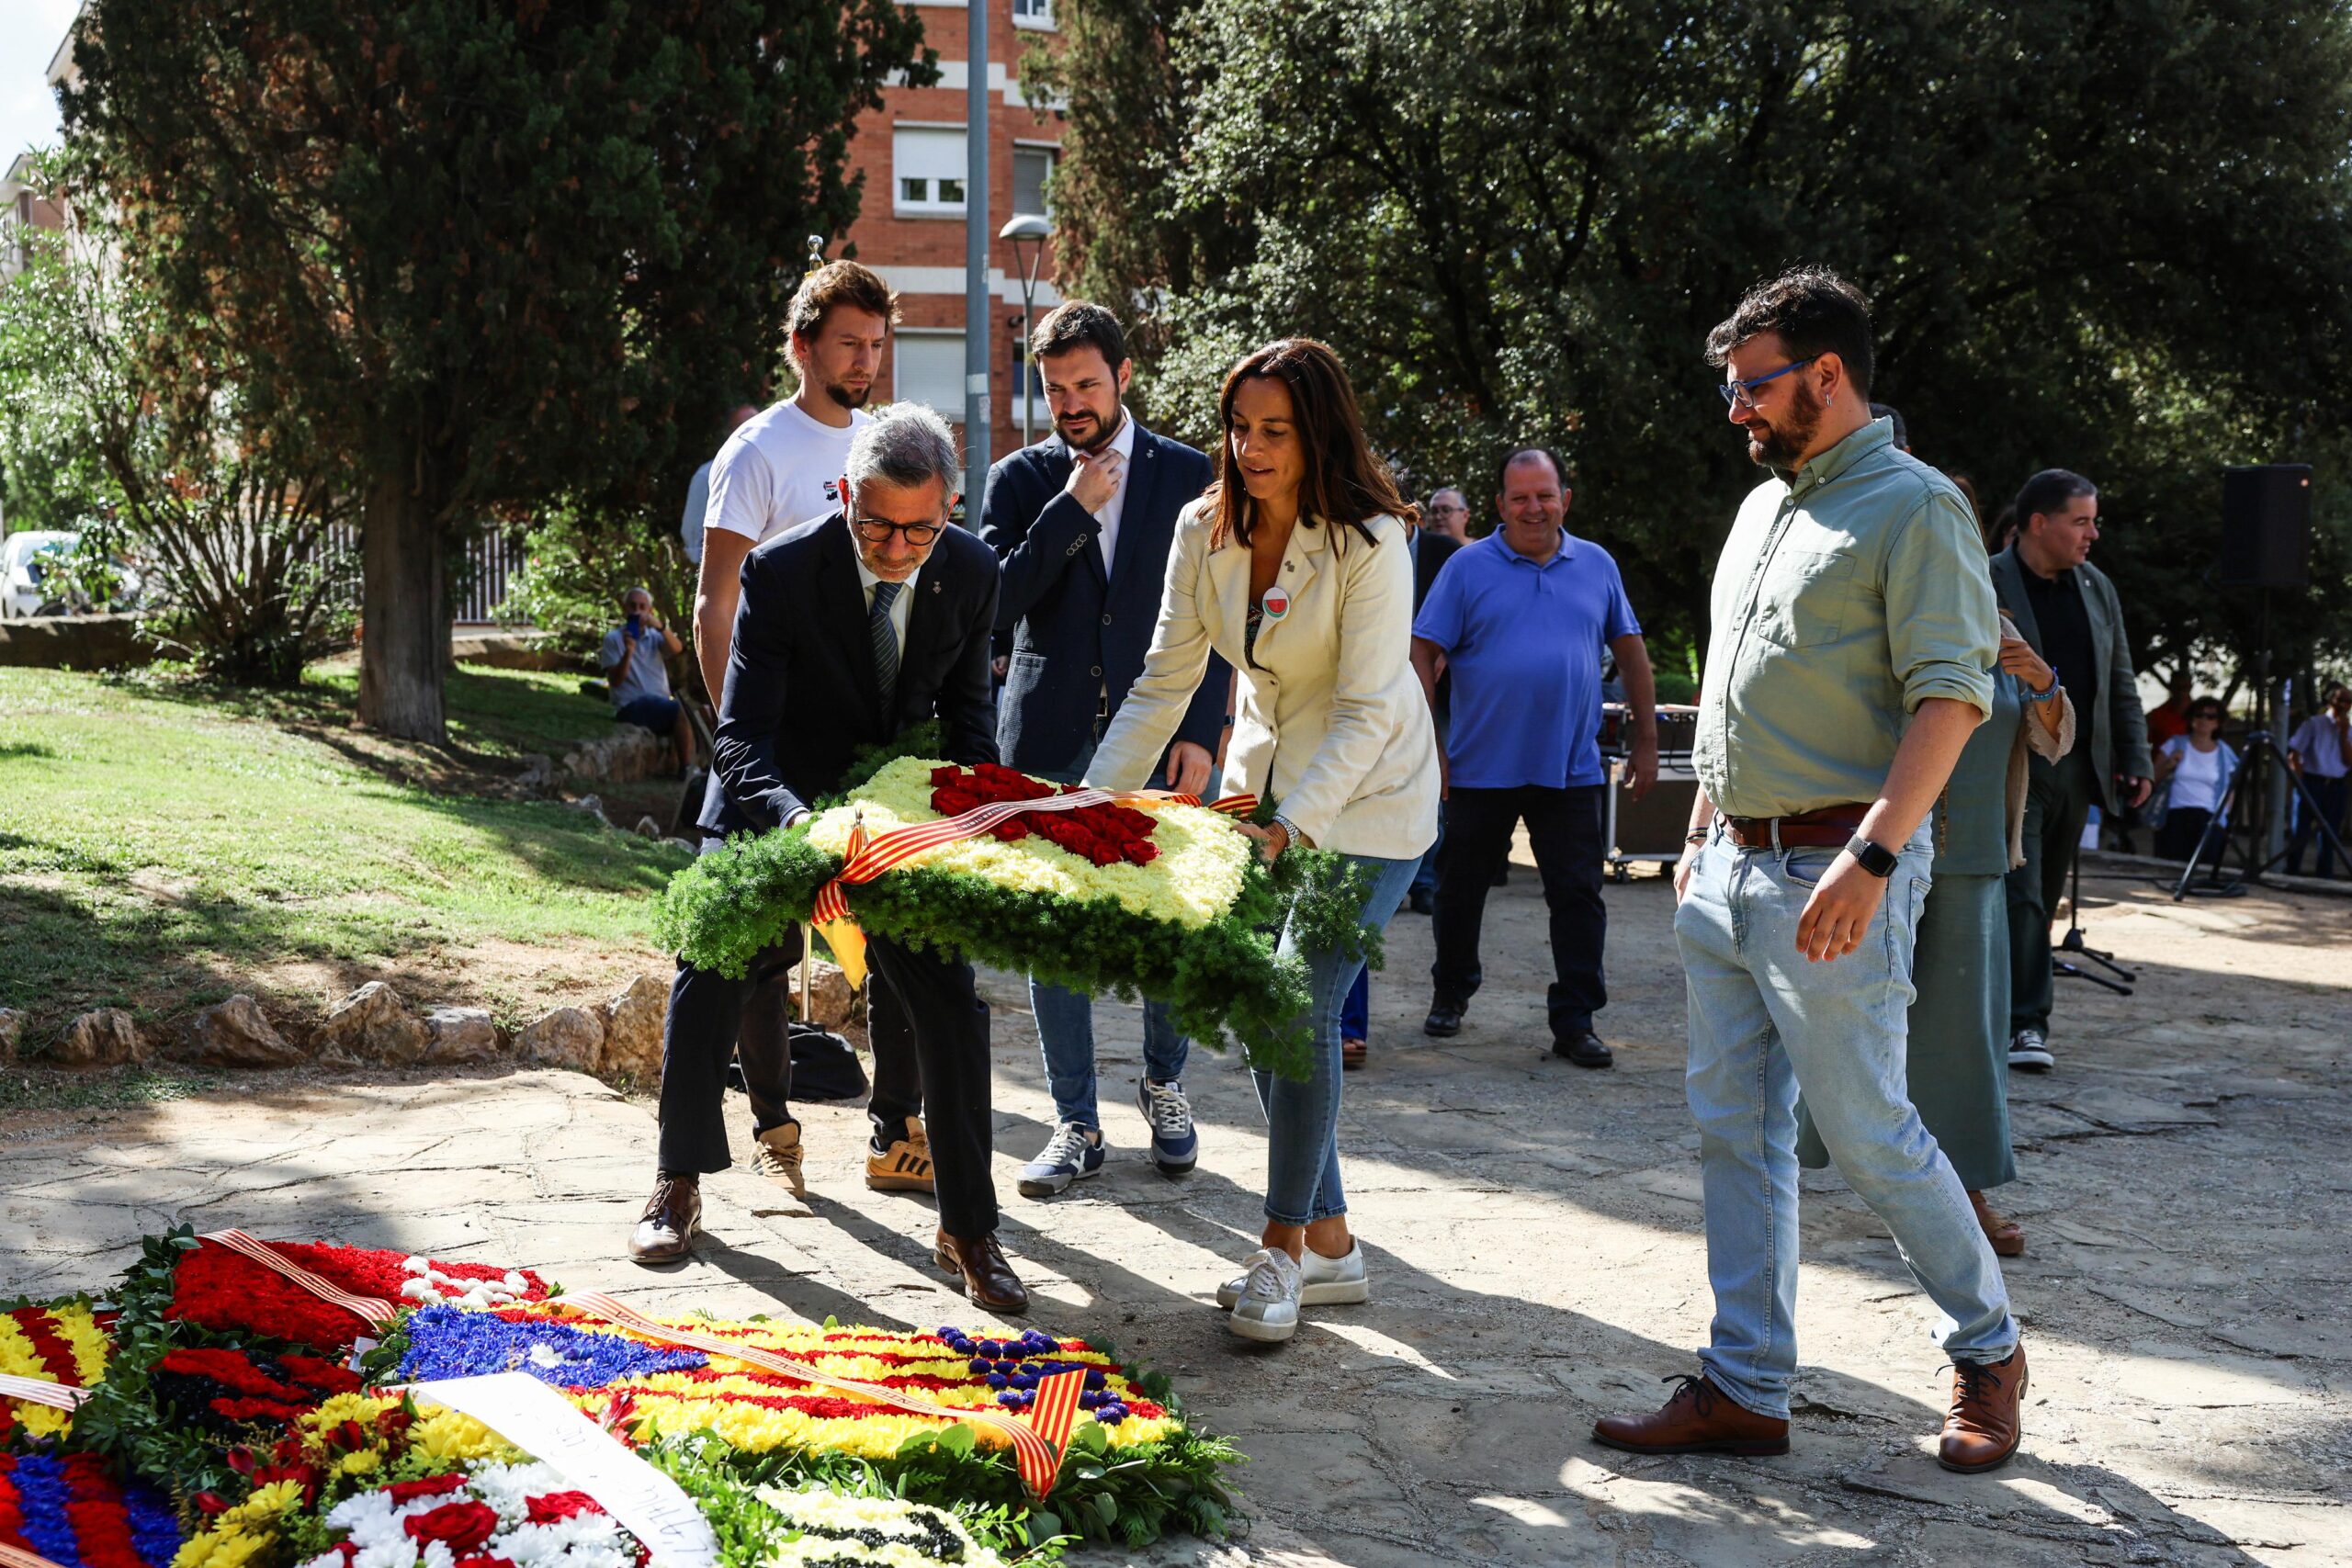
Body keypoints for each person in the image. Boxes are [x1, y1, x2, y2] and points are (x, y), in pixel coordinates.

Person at [1596, 267, 2025, 1474]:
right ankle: (1744, 1384)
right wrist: (1697, 843)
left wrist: (1874, 856)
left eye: (1755, 386)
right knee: (1735, 1128)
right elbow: (1740, 693)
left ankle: (1989, 1349)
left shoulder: (1916, 506)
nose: (1738, 408)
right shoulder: (1762, 510)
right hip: (1729, 871)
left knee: (1871, 1127)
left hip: (1836, 870)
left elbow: (1954, 695)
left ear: (1827, 376)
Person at [634, 405, 1030, 1314]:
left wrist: (959, 822)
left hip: (894, 811)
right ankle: (676, 1182)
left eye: (921, 528)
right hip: (777, 799)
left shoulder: (971, 570)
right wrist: (805, 828)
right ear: (844, 495)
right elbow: (740, 740)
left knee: (951, 1001)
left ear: (952, 510)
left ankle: (971, 1229)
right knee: (709, 962)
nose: (897, 547)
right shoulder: (779, 570)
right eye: (877, 524)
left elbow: (970, 727)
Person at [1082, 337, 1438, 1345]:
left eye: (1274, 431)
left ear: (1317, 431)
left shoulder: (1372, 538)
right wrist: (1087, 807)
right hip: (1263, 790)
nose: (1250, 449)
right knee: (1256, 1006)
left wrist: (1291, 827)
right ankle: (1329, 1243)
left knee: (1293, 1002)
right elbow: (1163, 681)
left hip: (1368, 801)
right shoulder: (1203, 526)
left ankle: (1279, 1253)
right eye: (1239, 428)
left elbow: (1369, 711)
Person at [682, 261, 933, 1196]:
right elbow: (717, 603)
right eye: (847, 345)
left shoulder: (890, 444)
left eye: (876, 345)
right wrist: (739, 738)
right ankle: (772, 1124)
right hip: (773, 749)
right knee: (759, 953)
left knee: (902, 945)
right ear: (801, 346)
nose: (865, 362)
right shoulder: (757, 452)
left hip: (869, 754)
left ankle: (895, 1131)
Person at [974, 300, 1226, 1195]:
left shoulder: (1191, 475)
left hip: (1161, 739)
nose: (1071, 402)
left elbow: (1220, 611)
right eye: (1054, 388)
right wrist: (1071, 509)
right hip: (1046, 742)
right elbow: (994, 604)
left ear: (1123, 377)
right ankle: (1074, 1122)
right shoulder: (1018, 479)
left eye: (1086, 383)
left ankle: (1164, 1084)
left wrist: (1202, 730)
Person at [1798, 609, 2077, 1257]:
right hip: (1871, 856)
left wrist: (2042, 679)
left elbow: (2054, 740)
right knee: (1837, 1015)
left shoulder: (1998, 623)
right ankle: (1778, 1171)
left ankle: (1963, 1192)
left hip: (1974, 855)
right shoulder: (1878, 604)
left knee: (1962, 1042)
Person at [1409, 446, 1657, 1069]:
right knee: (1460, 891)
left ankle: (1575, 1019)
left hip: (1569, 766)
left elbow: (1631, 653)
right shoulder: (1467, 567)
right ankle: (1451, 990)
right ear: (1499, 505)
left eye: (1544, 495)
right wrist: (1427, 746)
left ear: (1564, 499)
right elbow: (1421, 653)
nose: (1533, 507)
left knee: (1578, 895)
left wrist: (1647, 743)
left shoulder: (1595, 564)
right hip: (1476, 767)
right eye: (1519, 497)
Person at [1988, 470, 2151, 1075]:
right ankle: (2025, 1022)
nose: (2093, 533)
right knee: (2020, 893)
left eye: (2093, 520)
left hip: (2078, 765)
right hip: (2010, 760)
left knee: (2045, 894)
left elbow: (2120, 680)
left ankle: (2014, 1011)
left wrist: (2135, 758)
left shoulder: (2098, 586)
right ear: (2039, 524)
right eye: (2080, 521)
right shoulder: (1985, 578)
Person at [1337, 499, 1460, 1066]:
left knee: (1352, 895)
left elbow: (1428, 644)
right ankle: (1330, 1023)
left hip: (1396, 737)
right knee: (1328, 892)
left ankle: (1346, 1025)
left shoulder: (1433, 554)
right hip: (1319, 736)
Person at [600, 587, 695, 774]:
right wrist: (629, 651)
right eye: (633, 606)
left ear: (649, 611)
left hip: (659, 704)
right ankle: (685, 770)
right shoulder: (613, 639)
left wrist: (659, 626)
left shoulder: (656, 637)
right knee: (682, 710)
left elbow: (678, 650)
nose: (637, 611)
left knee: (706, 712)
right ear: (625, 609)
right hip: (631, 707)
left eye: (643, 607)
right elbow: (616, 681)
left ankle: (710, 768)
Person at [2152, 696, 2239, 862]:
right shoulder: (2174, 744)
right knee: (2170, 865)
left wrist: (2224, 819)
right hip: (2174, 815)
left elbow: (2230, 790)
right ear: (2191, 718)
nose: (2204, 720)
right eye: (2199, 715)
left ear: (2218, 722)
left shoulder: (2225, 753)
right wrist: (2168, 766)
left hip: (2209, 818)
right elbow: (2152, 778)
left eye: (2211, 716)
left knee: (2204, 868)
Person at [680, 403, 761, 569]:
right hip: (719, 572)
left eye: (758, 424)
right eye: (744, 426)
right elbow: (692, 531)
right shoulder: (707, 474)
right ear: (731, 433)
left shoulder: (774, 470)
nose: (754, 432)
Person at [2285, 683, 2351, 877]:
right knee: (2301, 832)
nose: (2345, 704)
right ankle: (2292, 871)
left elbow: (2349, 760)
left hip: (2337, 785)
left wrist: (2343, 733)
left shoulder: (2349, 730)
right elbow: (2295, 753)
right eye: (2341, 700)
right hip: (2312, 782)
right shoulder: (2314, 723)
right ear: (2331, 700)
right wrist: (2299, 782)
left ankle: (2325, 875)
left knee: (2330, 834)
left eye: (2349, 701)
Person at [2144, 668, 2194, 751]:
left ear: (2190, 687)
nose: (2181, 691)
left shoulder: (2204, 715)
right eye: (2177, 687)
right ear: (2170, 687)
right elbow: (2139, 743)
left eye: (2184, 687)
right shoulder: (2156, 716)